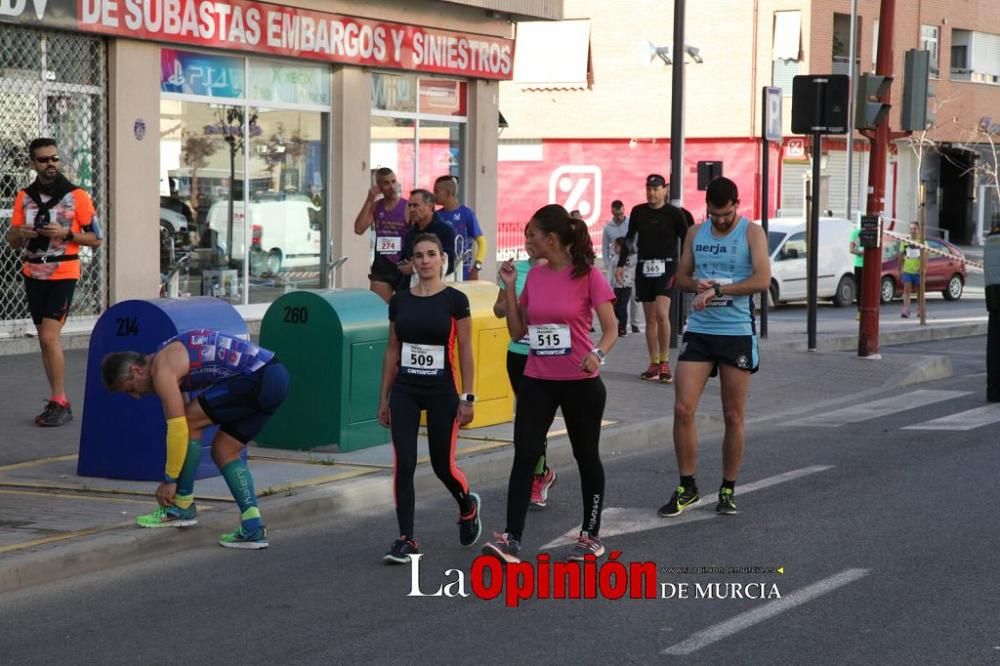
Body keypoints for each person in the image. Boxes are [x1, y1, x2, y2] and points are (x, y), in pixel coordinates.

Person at [482, 204, 618, 564]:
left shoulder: (588, 276)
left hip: (580, 381)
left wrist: (598, 355)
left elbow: (612, 327)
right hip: (537, 379)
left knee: (585, 455)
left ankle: (590, 535)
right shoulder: (535, 277)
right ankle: (511, 538)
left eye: (532, 235)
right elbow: (517, 331)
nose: (527, 241)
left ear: (552, 239)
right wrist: (509, 288)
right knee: (525, 454)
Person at [101, 330, 289, 549]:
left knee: (189, 422)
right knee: (224, 450)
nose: (136, 396)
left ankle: (182, 506)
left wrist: (170, 481)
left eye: (131, 389)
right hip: (277, 375)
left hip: (257, 376)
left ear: (136, 370)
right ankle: (253, 527)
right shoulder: (166, 358)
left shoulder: (162, 369)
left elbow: (179, 429)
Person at [659, 177, 770, 518]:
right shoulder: (696, 233)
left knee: (733, 415)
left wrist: (721, 291)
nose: (719, 220)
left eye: (725, 214)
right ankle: (687, 485)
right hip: (701, 330)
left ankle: (727, 488)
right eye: (713, 214)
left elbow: (762, 280)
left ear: (737, 204)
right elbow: (680, 277)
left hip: (736, 331)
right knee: (682, 409)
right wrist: (697, 285)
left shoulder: (752, 233)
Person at [378, 234, 481, 564]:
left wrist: (468, 397)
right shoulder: (400, 300)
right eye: (419, 255)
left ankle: (467, 506)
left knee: (442, 466)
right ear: (412, 261)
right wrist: (383, 398)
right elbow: (393, 349)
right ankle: (406, 538)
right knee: (404, 464)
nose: (424, 261)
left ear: (442, 260)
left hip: (441, 391)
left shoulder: (455, 299)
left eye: (431, 254)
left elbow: (465, 349)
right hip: (405, 390)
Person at [4, 138, 104, 427]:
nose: (51, 164)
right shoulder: (25, 197)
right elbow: (11, 240)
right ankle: (56, 399)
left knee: (49, 337)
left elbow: (97, 238)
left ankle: (61, 399)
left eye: (55, 159)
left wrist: (67, 233)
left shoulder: (77, 196)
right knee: (46, 341)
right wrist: (21, 232)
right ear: (33, 164)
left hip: (63, 272)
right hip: (33, 272)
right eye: (44, 160)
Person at [493, 225, 556, 510]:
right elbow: (497, 310)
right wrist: (510, 294)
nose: (530, 242)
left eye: (535, 236)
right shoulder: (514, 269)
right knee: (527, 417)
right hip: (518, 353)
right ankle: (539, 472)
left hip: (548, 354)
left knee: (536, 418)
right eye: (527, 236)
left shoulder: (561, 270)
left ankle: (538, 475)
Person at [616, 174, 688, 383]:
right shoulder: (638, 211)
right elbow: (629, 239)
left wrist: (684, 265)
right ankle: (654, 362)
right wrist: (621, 264)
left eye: (656, 189)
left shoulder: (674, 214)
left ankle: (665, 361)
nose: (651, 193)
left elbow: (686, 239)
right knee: (650, 319)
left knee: (662, 313)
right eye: (649, 189)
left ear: (664, 190)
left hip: (667, 266)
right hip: (644, 267)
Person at [354, 167, 409, 303]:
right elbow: (359, 229)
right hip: (382, 265)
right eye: (386, 183)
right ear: (378, 187)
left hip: (403, 263)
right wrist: (369, 199)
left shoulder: (407, 206)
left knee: (404, 310)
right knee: (380, 310)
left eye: (393, 181)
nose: (391, 186)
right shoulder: (376, 206)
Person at [398, 189, 456, 290]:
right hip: (409, 289)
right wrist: (403, 266)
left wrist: (416, 267)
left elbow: (450, 264)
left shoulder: (445, 230)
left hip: (438, 290)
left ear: (430, 206)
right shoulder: (410, 234)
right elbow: (403, 259)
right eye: (410, 205)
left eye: (416, 205)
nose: (411, 209)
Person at [434, 175, 487, 280]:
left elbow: (482, 243)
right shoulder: (436, 216)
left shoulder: (466, 213)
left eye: (437, 191)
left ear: (448, 193)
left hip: (463, 272)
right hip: (440, 271)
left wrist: (476, 268)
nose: (434, 195)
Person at [602, 200, 640, 335]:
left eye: (621, 214)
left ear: (624, 211)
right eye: (616, 214)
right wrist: (607, 264)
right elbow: (605, 247)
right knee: (617, 296)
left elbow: (637, 241)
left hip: (631, 262)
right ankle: (619, 322)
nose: (619, 216)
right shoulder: (608, 228)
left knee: (634, 295)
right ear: (612, 212)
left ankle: (634, 322)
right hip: (615, 262)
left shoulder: (630, 223)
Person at [609, 237, 637, 337]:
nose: (614, 248)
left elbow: (636, 270)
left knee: (623, 306)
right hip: (617, 286)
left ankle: (622, 328)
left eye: (616, 246)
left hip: (627, 286)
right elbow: (610, 272)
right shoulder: (614, 259)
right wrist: (609, 284)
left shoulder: (634, 258)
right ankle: (617, 324)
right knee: (615, 306)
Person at [900, 222, 924, 319]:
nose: (912, 231)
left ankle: (919, 309)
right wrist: (900, 268)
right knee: (906, 289)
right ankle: (906, 310)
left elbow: (925, 256)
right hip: (907, 270)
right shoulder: (905, 242)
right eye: (911, 229)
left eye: (914, 229)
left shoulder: (922, 243)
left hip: (918, 271)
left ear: (918, 230)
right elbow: (901, 255)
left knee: (919, 291)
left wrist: (923, 267)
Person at [849, 220, 864, 316]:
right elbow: (851, 249)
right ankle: (859, 310)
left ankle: (866, 310)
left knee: (869, 289)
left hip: (870, 266)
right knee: (860, 288)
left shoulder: (874, 234)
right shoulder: (856, 233)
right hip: (859, 265)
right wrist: (860, 253)